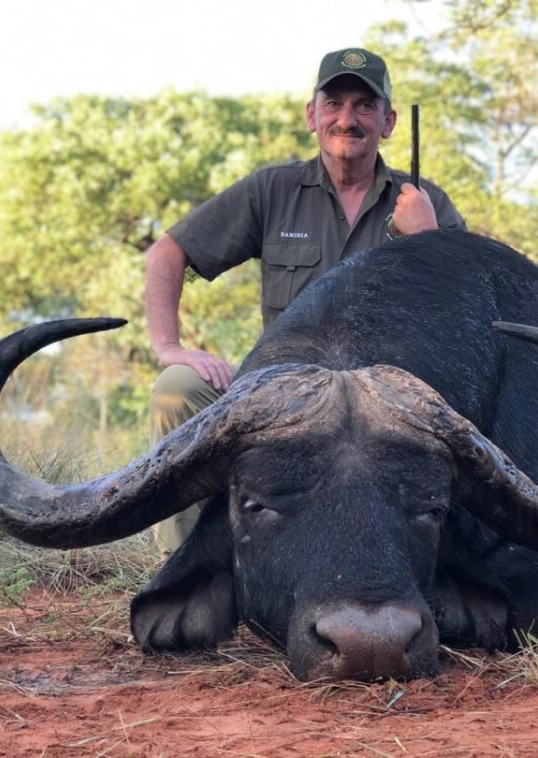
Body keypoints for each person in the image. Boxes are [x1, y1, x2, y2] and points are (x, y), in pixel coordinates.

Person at [143, 47, 465, 554]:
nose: (347, 118)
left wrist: (427, 241)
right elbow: (168, 252)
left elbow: (468, 316)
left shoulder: (427, 201)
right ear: (311, 115)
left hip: (385, 411)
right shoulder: (272, 189)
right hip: (282, 402)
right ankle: (184, 572)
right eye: (334, 103)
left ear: (389, 122)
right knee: (176, 389)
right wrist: (170, 347)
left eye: (364, 105)